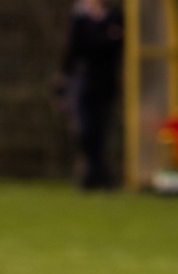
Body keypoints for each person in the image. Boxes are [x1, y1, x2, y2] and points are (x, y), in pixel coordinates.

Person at [59, 0, 123, 190]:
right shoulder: (80, 19)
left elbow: (116, 45)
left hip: (106, 83)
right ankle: (98, 175)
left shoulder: (115, 16)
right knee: (85, 131)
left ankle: (95, 176)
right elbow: (76, 49)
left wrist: (102, 39)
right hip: (84, 83)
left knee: (100, 130)